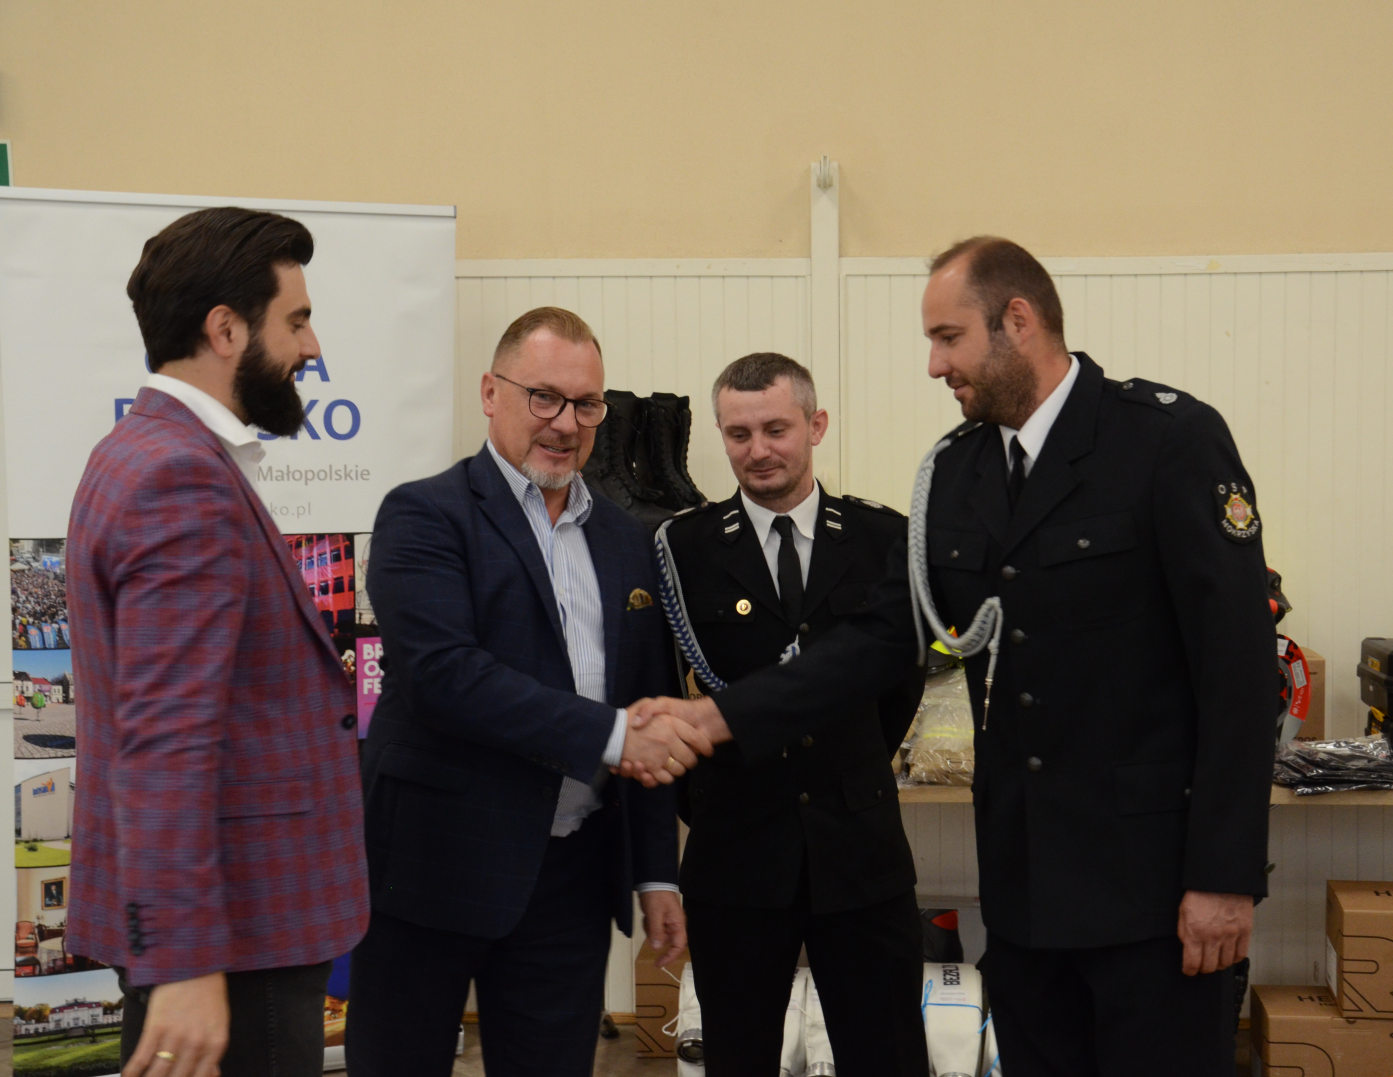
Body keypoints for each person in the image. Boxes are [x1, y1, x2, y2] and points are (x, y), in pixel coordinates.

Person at [631, 238, 1280, 1076]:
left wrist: (1225, 876)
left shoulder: (1164, 440)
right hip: (1025, 894)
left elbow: (1239, 672)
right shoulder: (958, 471)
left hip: (1151, 890)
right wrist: (717, 716)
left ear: (1019, 321)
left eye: (948, 338)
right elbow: (879, 638)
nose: (935, 365)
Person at [345, 307, 711, 1077]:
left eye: (587, 404)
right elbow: (445, 678)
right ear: (490, 392)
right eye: (544, 397)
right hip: (431, 869)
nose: (566, 424)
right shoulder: (424, 514)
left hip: (570, 881)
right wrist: (613, 736)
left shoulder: (628, 541)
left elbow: (647, 704)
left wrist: (655, 873)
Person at [65, 207, 367, 1077]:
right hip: (238, 933)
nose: (311, 347)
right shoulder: (179, 476)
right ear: (226, 329)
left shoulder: (138, 451)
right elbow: (165, 739)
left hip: (229, 927)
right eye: (297, 321)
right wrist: (186, 960)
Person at [659, 353, 929, 1077]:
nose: (758, 450)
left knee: (887, 1055)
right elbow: (666, 689)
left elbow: (899, 685)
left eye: (775, 429)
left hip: (859, 851)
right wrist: (708, 802)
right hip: (736, 853)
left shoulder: (883, 539)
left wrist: (850, 765)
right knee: (738, 1058)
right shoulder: (682, 547)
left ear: (816, 425)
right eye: (738, 434)